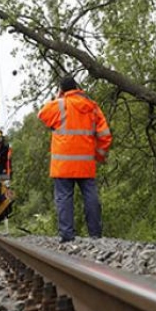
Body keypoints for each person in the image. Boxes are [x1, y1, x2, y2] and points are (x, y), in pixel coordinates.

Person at [38, 75, 113, 243]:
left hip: (63, 163)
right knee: (90, 196)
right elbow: (105, 136)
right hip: (86, 162)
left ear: (62, 90)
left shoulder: (59, 105)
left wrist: (58, 97)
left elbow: (42, 114)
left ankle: (67, 235)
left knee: (64, 197)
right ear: (77, 87)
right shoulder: (92, 107)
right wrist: (99, 155)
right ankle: (95, 234)